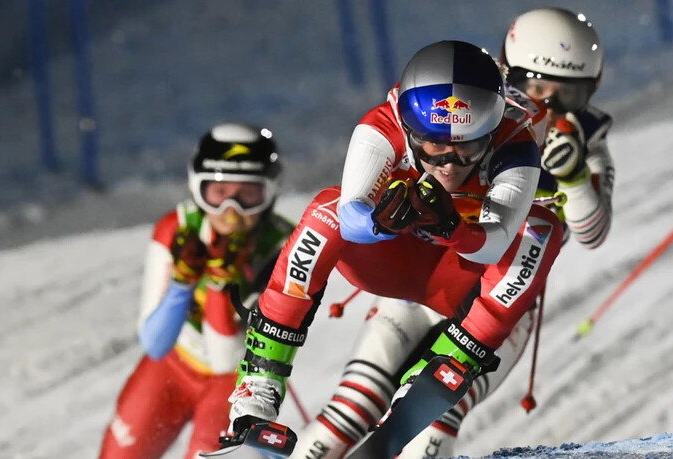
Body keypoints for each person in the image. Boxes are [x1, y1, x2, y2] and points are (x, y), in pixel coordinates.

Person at [289, 7, 615, 458]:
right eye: (535, 87)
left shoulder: (586, 140)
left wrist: (575, 176)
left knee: (435, 416)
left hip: (494, 298)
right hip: (421, 281)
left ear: (590, 93)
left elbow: (593, 233)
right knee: (349, 410)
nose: (548, 107)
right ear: (506, 77)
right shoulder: (470, 112)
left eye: (569, 95)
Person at [223, 39, 564, 455]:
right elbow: (348, 216)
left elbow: (496, 246)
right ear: (407, 127)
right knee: (325, 210)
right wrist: (379, 222)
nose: (449, 162)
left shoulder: (517, 143)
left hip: (467, 285)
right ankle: (259, 384)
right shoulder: (381, 126)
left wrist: (455, 230)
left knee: (542, 229)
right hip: (400, 268)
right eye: (433, 144)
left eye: (468, 146)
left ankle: (449, 366)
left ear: (493, 129)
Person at [98, 123, 293, 459]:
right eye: (218, 194)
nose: (231, 212)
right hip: (174, 364)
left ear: (269, 192)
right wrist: (183, 283)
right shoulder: (176, 229)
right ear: (197, 189)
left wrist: (219, 284)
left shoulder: (283, 250)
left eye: (247, 195)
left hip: (236, 382)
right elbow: (156, 344)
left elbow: (224, 361)